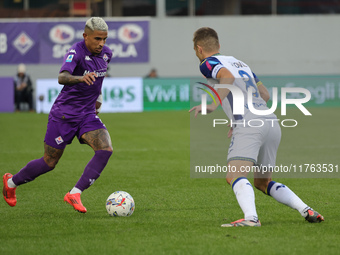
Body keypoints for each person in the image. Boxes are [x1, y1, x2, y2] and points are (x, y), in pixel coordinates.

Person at [189, 27, 324, 227]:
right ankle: (306, 209)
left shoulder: (208, 63)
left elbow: (227, 77)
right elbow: (265, 94)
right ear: (219, 45)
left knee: (234, 175)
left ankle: (251, 219)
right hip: (270, 121)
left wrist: (213, 105)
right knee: (262, 182)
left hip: (250, 123)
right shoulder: (240, 63)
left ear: (199, 49)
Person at [3, 17, 113, 213]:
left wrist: (98, 100)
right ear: (85, 36)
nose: (101, 44)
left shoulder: (107, 54)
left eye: (104, 39)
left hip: (87, 114)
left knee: (105, 149)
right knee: (49, 162)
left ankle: (75, 193)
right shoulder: (75, 52)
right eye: (97, 39)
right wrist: (81, 78)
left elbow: (99, 80)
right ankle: (11, 183)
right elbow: (62, 77)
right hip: (64, 115)